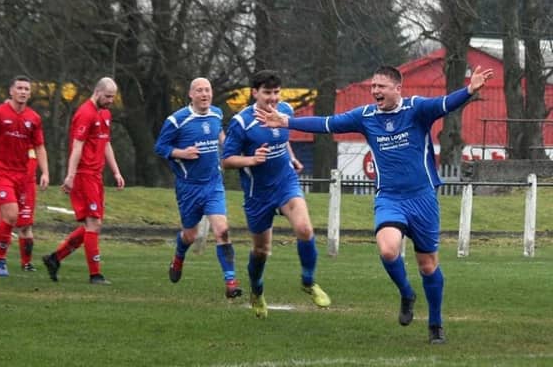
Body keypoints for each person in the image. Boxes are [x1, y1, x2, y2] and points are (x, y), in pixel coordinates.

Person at [255, 65, 494, 342]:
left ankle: (435, 324)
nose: (376, 91)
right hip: (390, 198)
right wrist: (286, 122)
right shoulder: (365, 116)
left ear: (397, 89)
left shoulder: (416, 109)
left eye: (381, 86)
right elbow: (328, 123)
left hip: (423, 198)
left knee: (428, 265)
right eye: (373, 87)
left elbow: (445, 104)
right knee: (388, 250)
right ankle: (406, 293)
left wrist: (469, 90)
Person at [222, 70, 331, 318]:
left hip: (285, 182)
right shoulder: (241, 123)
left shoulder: (285, 111)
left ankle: (308, 281)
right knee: (261, 250)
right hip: (257, 193)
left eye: (276, 92)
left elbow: (282, 136)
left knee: (304, 229)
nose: (272, 98)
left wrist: (290, 157)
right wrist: (252, 159)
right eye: (267, 93)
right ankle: (257, 290)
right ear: (255, 93)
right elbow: (227, 160)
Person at [155, 77, 242, 299]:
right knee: (190, 235)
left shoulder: (216, 113)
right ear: (191, 95)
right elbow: (160, 147)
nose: (205, 94)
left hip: (213, 184)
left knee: (222, 229)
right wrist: (181, 153)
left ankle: (231, 282)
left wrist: (229, 147)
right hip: (188, 187)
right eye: (200, 91)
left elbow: (218, 134)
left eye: (208, 90)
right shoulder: (177, 120)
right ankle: (178, 256)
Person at [42, 77, 125, 285]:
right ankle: (95, 274)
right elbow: (77, 147)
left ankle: (55, 258)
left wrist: (116, 172)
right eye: (107, 96)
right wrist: (70, 176)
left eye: (113, 97)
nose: (110, 100)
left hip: (96, 175)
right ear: (97, 92)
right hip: (83, 175)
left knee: (94, 224)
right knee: (93, 223)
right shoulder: (84, 113)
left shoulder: (105, 114)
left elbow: (106, 144)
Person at [0, 75, 50, 277]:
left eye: (27, 88)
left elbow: (39, 146)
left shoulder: (33, 118)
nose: (23, 92)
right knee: (11, 214)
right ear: (11, 90)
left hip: (21, 175)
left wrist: (45, 171)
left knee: (14, 218)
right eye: (19, 88)